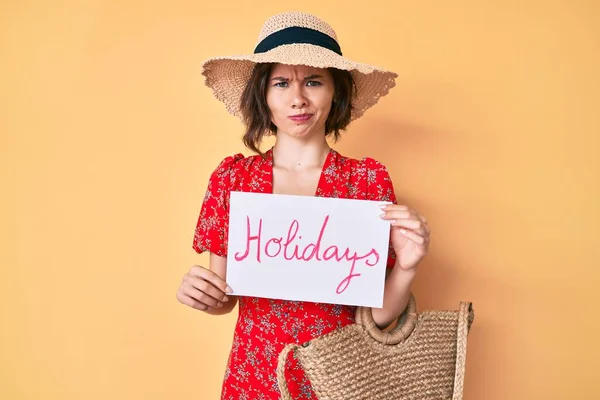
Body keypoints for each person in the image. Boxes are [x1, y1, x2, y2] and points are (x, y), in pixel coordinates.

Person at [176, 11, 431, 399]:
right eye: (281, 83)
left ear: (336, 92)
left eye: (313, 81)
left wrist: (408, 267)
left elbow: (375, 317)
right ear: (263, 94)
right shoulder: (234, 181)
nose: (298, 99)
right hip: (255, 374)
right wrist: (202, 292)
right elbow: (225, 298)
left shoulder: (365, 182)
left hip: (341, 379)